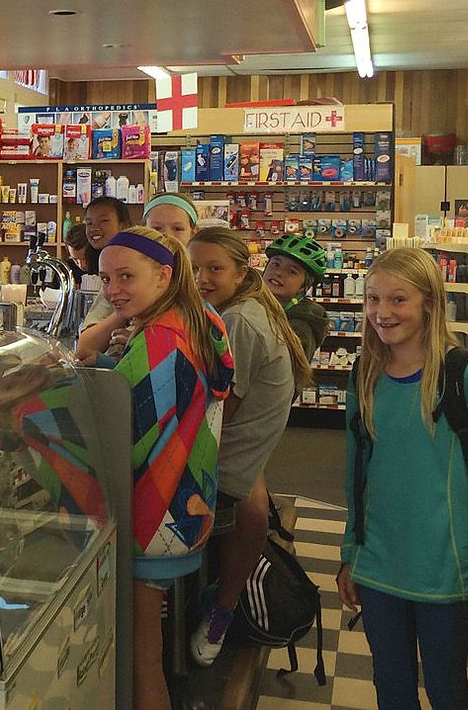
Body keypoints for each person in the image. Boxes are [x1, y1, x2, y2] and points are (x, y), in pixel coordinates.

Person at [336, 247, 468, 709]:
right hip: (379, 566)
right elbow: (357, 475)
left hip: (447, 571)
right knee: (391, 687)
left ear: (429, 304)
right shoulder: (364, 376)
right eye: (374, 299)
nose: (382, 312)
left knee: (447, 689)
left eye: (398, 300)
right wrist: (349, 552)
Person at [86, 226, 233, 709]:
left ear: (165, 275)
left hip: (151, 516)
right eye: (105, 279)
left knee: (140, 656)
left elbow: (120, 438)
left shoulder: (162, 339)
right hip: (187, 504)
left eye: (126, 277)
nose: (113, 290)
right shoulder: (201, 319)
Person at [184, 228, 312, 666]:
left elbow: (221, 411)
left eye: (214, 269)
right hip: (243, 457)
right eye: (194, 267)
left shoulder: (238, 320)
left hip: (226, 466)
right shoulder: (247, 308)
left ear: (242, 272)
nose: (201, 278)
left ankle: (201, 613)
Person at [76, 192, 198, 363]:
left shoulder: (201, 287)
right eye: (157, 229)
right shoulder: (117, 287)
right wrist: (124, 310)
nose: (167, 236)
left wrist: (145, 342)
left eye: (177, 229)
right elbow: (84, 348)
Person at [263, 233, 330, 360]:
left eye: (292, 271)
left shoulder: (300, 327)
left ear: (304, 287)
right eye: (276, 264)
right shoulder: (255, 304)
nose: (279, 273)